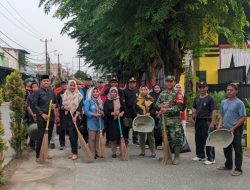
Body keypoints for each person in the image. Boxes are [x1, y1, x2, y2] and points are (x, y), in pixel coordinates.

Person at [217, 83, 246, 176]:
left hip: (236, 129)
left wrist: (234, 127)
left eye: (231, 90)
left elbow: (243, 118)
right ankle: (228, 165)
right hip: (226, 128)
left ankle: (238, 169)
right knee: (226, 147)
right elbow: (222, 115)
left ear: (236, 91)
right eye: (228, 90)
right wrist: (220, 125)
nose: (229, 91)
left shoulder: (239, 103)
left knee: (237, 149)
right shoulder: (223, 102)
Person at [156, 75, 184, 165]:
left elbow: (179, 107)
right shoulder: (162, 93)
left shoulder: (177, 93)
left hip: (174, 121)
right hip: (164, 120)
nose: (169, 83)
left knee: (176, 138)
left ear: (174, 82)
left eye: (171, 81)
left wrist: (167, 109)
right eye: (167, 81)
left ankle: (176, 157)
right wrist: (161, 106)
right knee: (166, 138)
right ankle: (167, 156)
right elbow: (157, 104)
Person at [192, 81, 216, 165]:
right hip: (198, 121)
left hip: (207, 121)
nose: (202, 89)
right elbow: (194, 108)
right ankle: (200, 155)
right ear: (198, 88)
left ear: (207, 88)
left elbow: (214, 111)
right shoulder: (197, 98)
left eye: (203, 87)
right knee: (198, 139)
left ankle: (211, 158)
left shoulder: (210, 98)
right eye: (200, 87)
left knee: (208, 139)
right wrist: (193, 113)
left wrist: (212, 123)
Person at [33, 75, 56, 161]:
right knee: (41, 136)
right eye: (44, 81)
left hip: (51, 117)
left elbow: (56, 102)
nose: (46, 82)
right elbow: (34, 105)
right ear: (41, 82)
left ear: (49, 82)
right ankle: (38, 155)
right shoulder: (37, 92)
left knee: (49, 136)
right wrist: (42, 114)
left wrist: (54, 105)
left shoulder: (52, 92)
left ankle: (45, 152)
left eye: (47, 81)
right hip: (41, 118)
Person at [62, 80, 83, 160]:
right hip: (68, 117)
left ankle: (75, 152)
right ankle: (74, 151)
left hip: (76, 118)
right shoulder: (65, 95)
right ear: (68, 86)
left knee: (73, 135)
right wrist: (65, 107)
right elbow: (61, 106)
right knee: (71, 136)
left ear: (76, 86)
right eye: (70, 85)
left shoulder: (79, 95)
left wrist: (75, 116)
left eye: (73, 85)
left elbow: (80, 107)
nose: (72, 87)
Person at [104, 87, 126, 158]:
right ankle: (114, 152)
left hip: (120, 121)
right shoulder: (107, 101)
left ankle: (122, 151)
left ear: (117, 93)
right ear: (110, 93)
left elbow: (125, 109)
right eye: (112, 92)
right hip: (111, 122)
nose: (113, 93)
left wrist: (122, 113)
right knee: (113, 137)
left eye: (115, 92)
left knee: (121, 136)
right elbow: (105, 112)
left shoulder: (119, 100)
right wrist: (112, 113)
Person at [136, 86, 156, 158]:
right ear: (139, 91)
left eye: (144, 90)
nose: (143, 91)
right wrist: (136, 114)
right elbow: (133, 109)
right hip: (140, 119)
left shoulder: (151, 99)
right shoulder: (136, 99)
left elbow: (154, 109)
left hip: (149, 119)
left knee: (151, 136)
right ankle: (142, 151)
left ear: (147, 91)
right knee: (141, 137)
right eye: (141, 89)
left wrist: (150, 113)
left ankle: (153, 152)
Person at [84, 87, 104, 158]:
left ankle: (97, 152)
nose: (95, 93)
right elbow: (86, 111)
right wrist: (94, 114)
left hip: (100, 122)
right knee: (92, 139)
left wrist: (102, 112)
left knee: (98, 139)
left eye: (97, 92)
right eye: (94, 92)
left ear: (99, 93)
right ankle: (92, 153)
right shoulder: (88, 101)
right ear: (91, 93)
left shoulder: (100, 101)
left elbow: (104, 110)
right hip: (91, 123)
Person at [123, 77, 139, 145]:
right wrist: (125, 110)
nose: (132, 84)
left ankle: (135, 139)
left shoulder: (138, 91)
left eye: (134, 82)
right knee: (127, 126)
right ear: (129, 83)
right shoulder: (125, 91)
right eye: (131, 83)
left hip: (136, 111)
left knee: (136, 126)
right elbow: (123, 102)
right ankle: (126, 139)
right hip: (127, 111)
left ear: (135, 83)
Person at [26, 82, 39, 151]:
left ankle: (39, 146)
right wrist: (33, 115)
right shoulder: (29, 97)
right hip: (31, 116)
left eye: (36, 86)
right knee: (32, 130)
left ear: (38, 87)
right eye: (33, 87)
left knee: (40, 130)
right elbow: (28, 106)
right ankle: (32, 146)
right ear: (31, 89)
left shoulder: (41, 96)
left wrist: (38, 114)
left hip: (40, 116)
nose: (35, 88)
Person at [56, 80, 67, 150]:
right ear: (61, 86)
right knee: (61, 129)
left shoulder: (70, 93)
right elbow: (57, 104)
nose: (64, 86)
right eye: (62, 85)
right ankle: (62, 143)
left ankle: (74, 143)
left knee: (71, 129)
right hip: (62, 113)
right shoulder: (59, 94)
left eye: (65, 84)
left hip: (70, 113)